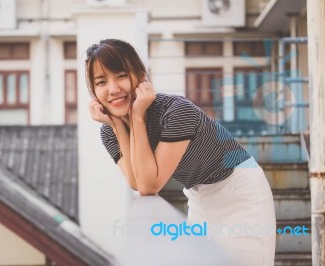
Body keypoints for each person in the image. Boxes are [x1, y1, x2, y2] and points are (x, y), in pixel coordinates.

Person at [85, 38, 276, 266]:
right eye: (101, 82)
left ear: (140, 76)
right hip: (199, 195)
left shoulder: (175, 110)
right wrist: (118, 127)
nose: (113, 89)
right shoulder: (109, 131)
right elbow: (138, 182)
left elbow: (150, 185)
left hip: (239, 191)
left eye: (121, 76)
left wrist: (136, 116)